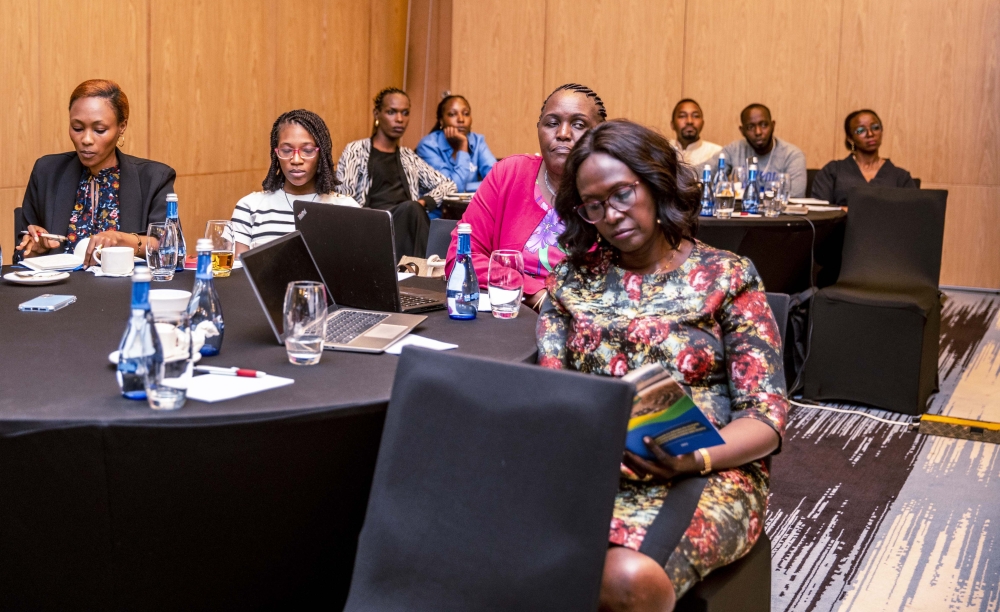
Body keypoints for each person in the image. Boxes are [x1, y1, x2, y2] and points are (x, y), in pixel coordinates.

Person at [538, 119, 788, 611]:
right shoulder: (569, 284)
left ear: (654, 181)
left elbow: (767, 419)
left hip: (709, 469)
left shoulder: (727, 275)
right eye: (593, 204)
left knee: (624, 576)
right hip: (596, 467)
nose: (610, 214)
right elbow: (552, 396)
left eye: (622, 193)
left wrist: (693, 458)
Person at [445, 83, 607, 309]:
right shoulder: (509, 174)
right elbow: (461, 257)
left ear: (600, 133)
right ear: (539, 128)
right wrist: (537, 295)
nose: (562, 134)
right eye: (551, 123)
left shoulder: (611, 191)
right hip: (506, 316)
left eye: (578, 125)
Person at [17, 79, 175, 267]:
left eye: (99, 130)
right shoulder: (46, 173)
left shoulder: (154, 178)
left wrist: (120, 240)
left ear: (122, 126)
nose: (86, 139)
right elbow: (20, 255)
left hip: (124, 291)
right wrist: (34, 251)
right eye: (77, 128)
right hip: (61, 290)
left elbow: (168, 247)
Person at [336, 87, 456, 258]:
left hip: (406, 223)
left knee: (414, 210)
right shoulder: (356, 150)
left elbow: (448, 185)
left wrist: (424, 202)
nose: (399, 119)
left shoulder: (408, 157)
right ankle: (426, 275)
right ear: (377, 114)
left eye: (405, 113)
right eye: (391, 112)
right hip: (371, 225)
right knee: (412, 210)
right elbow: (343, 198)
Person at [231, 110, 358, 256]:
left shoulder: (348, 209)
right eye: (286, 150)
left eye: (308, 150)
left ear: (321, 154)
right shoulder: (250, 207)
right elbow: (239, 272)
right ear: (276, 153)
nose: (296, 160)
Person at [810, 109, 916, 206]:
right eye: (861, 130)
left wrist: (849, 210)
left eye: (875, 127)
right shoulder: (833, 171)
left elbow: (910, 214)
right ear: (850, 139)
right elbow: (820, 211)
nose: (870, 134)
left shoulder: (900, 177)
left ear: (882, 131)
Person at [711, 103, 807, 197]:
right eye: (750, 127)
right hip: (742, 210)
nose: (758, 132)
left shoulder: (792, 155)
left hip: (776, 211)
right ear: (742, 130)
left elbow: (795, 195)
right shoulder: (733, 149)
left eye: (764, 125)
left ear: (773, 125)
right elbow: (704, 172)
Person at [416, 94, 497, 193]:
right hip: (440, 208)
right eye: (452, 114)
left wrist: (467, 187)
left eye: (466, 114)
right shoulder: (428, 146)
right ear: (441, 121)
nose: (461, 119)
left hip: (471, 207)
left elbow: (497, 180)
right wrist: (462, 146)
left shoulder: (477, 141)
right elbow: (452, 189)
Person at [668, 99, 721, 168]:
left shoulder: (716, 153)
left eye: (695, 116)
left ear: (702, 123)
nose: (689, 121)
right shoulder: (663, 150)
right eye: (682, 116)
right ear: (672, 124)